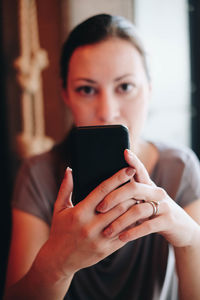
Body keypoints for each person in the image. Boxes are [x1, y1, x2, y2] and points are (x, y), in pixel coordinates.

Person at [4, 14, 200, 300]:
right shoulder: (38, 173)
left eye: (125, 87)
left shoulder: (180, 168)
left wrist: (190, 238)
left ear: (150, 88)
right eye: (86, 89)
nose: (107, 111)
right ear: (66, 95)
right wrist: (57, 264)